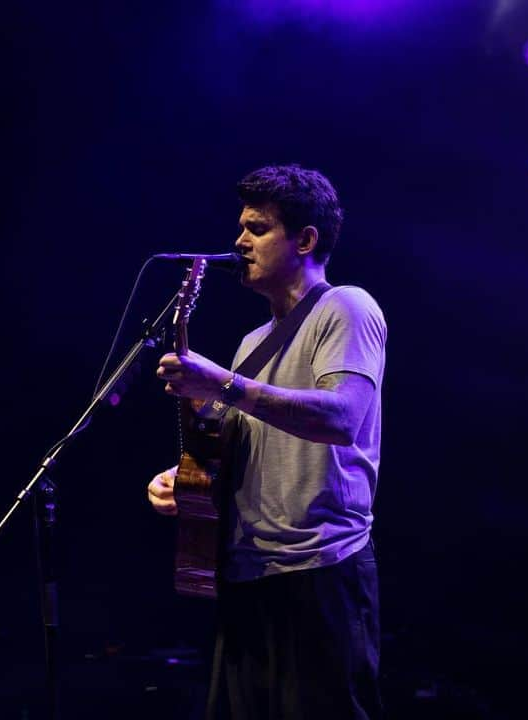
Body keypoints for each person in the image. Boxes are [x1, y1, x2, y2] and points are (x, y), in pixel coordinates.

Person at [149, 164, 386, 719]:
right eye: (241, 227)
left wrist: (223, 384)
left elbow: (341, 418)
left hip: (321, 571)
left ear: (305, 240)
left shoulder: (346, 307)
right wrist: (184, 481)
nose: (239, 241)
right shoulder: (252, 342)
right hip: (248, 577)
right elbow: (240, 449)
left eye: (257, 228)